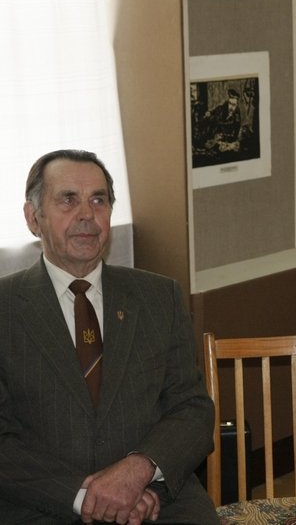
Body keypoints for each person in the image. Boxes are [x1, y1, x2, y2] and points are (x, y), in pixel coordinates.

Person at [0, 149, 219, 524]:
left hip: (158, 499)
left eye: (98, 200)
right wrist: (84, 497)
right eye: (68, 200)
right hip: (41, 505)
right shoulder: (6, 308)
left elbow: (192, 409)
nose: (87, 214)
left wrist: (138, 472)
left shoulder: (159, 297)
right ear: (33, 217)